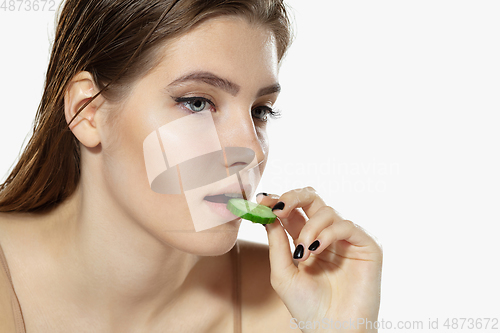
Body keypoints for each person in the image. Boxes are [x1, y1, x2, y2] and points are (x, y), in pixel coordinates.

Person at [0, 0, 383, 332]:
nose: (250, 149)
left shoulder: (292, 303)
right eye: (197, 103)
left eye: (260, 110)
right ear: (89, 112)